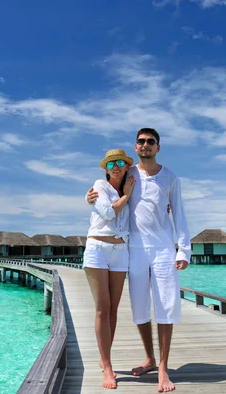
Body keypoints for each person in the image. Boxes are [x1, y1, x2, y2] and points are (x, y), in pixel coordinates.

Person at [87, 128, 191, 393]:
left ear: (158, 147)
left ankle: (164, 369)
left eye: (151, 142)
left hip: (163, 248)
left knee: (166, 306)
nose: (146, 145)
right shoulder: (128, 174)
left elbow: (179, 214)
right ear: (135, 147)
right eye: (141, 141)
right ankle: (150, 359)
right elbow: (106, 195)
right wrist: (89, 197)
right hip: (133, 249)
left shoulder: (170, 178)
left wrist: (184, 251)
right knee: (140, 307)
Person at [83, 148, 136, 390]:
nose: (115, 166)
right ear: (105, 167)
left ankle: (105, 359)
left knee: (114, 309)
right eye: (111, 163)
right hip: (98, 248)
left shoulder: (133, 184)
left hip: (121, 251)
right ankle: (107, 366)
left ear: (126, 166)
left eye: (120, 163)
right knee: (102, 309)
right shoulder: (100, 186)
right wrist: (125, 196)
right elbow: (106, 212)